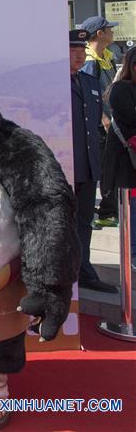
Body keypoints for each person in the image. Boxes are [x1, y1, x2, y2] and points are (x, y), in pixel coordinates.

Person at [71, 30, 117, 293]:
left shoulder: (89, 81)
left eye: (81, 52)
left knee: (84, 221)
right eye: (73, 52)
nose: (79, 57)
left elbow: (95, 123)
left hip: (88, 165)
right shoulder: (57, 84)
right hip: (66, 165)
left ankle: (84, 271)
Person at [81, 16, 120, 228]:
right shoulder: (89, 61)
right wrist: (103, 118)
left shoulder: (108, 56)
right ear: (99, 33)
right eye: (109, 29)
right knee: (103, 169)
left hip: (112, 124)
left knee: (110, 167)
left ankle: (108, 210)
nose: (112, 32)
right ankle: (103, 212)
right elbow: (89, 95)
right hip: (100, 127)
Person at [101, 45, 136, 280]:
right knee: (132, 211)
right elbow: (130, 117)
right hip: (128, 163)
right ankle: (133, 254)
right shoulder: (120, 89)